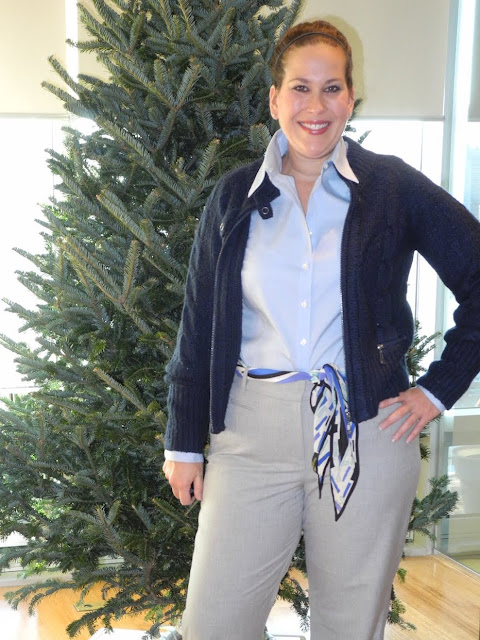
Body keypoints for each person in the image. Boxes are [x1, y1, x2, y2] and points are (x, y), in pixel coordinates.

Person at [162, 18, 480, 640]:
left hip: (369, 427)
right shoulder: (233, 197)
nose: (316, 106)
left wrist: (437, 389)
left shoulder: (391, 187)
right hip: (250, 431)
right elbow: (197, 326)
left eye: (331, 88)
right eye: (300, 88)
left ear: (350, 97)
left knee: (350, 626)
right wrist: (183, 442)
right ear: (274, 99)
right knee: (214, 625)